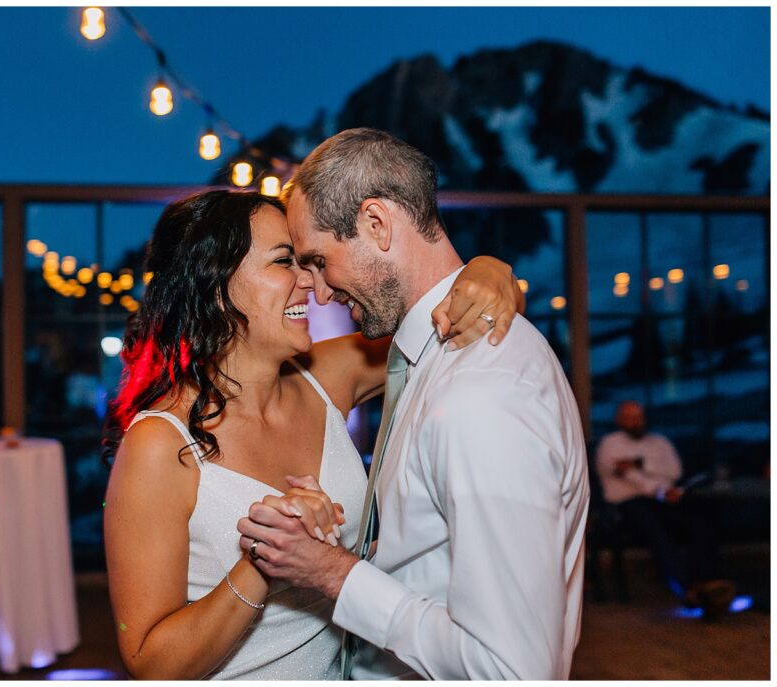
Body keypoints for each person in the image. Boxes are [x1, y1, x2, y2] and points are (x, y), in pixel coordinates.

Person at [102, 189, 524, 679]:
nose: (311, 283)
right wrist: (266, 559)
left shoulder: (326, 377)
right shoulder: (159, 444)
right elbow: (150, 665)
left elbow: (454, 318)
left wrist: (490, 271)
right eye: (286, 262)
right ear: (216, 286)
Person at [237, 128, 590, 680]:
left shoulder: (481, 395)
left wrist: (334, 573)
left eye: (320, 260)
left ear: (376, 224)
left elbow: (511, 672)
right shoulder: (425, 356)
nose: (320, 292)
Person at [595, 400, 734, 618]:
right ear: (619, 419)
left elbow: (674, 471)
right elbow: (630, 478)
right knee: (656, 529)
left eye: (638, 416)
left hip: (665, 499)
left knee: (699, 517)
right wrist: (658, 488)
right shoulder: (610, 444)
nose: (634, 421)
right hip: (627, 503)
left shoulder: (659, 442)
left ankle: (709, 580)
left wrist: (640, 463)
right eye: (628, 416)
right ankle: (689, 589)